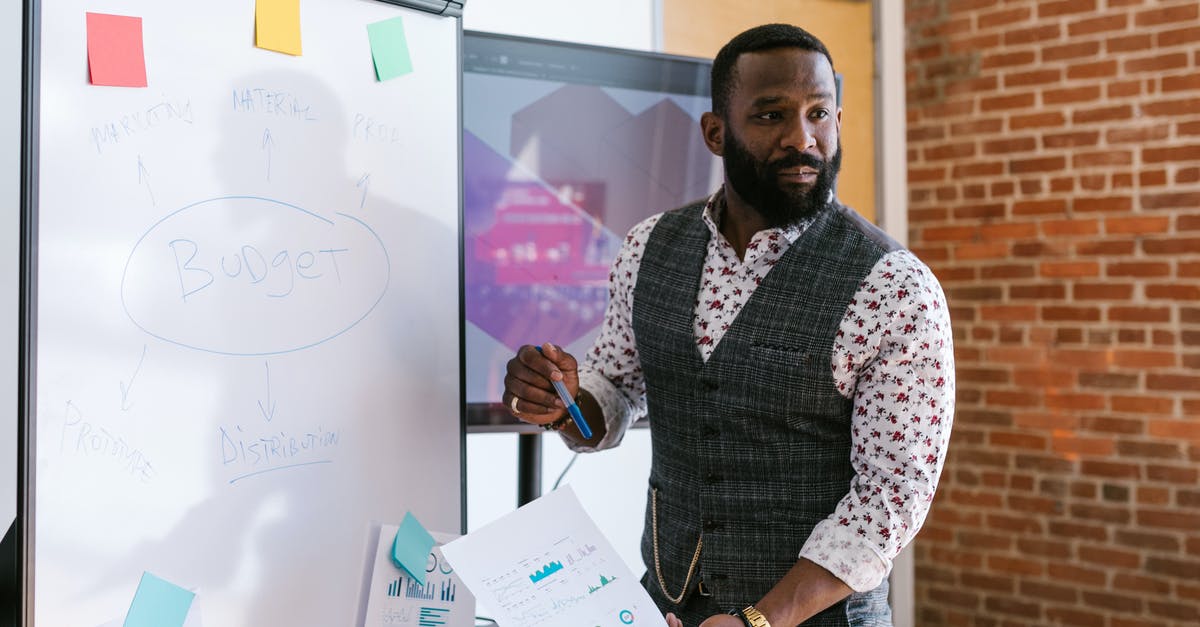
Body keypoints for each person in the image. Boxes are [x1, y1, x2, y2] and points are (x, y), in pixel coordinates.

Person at [503, 23, 954, 627]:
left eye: (819, 113)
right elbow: (613, 396)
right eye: (771, 115)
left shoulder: (895, 288)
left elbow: (891, 498)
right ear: (717, 133)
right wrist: (563, 403)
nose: (803, 139)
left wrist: (759, 621)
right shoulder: (647, 247)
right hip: (665, 605)